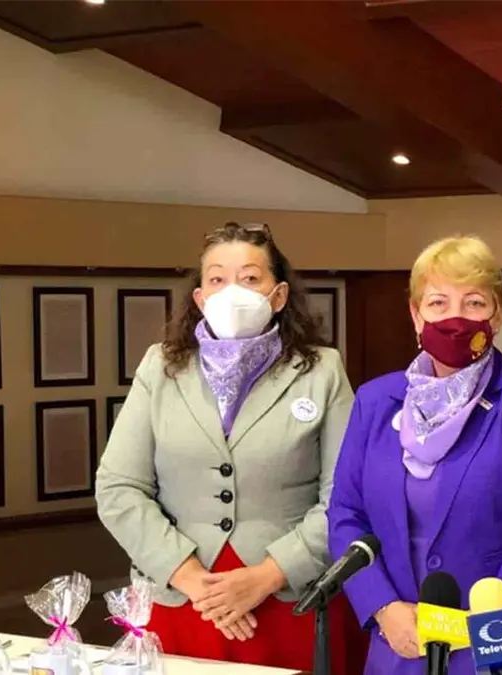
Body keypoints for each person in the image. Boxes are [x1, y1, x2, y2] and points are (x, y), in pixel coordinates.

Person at [96, 222, 365, 673]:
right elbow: (118, 487)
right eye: (217, 279)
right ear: (200, 298)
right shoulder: (159, 367)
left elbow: (346, 496)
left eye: (250, 278)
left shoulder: (322, 371)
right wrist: (191, 578)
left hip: (290, 598)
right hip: (182, 598)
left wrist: (268, 575)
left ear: (278, 296)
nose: (232, 291)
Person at [327, 235, 502, 675]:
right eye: (438, 303)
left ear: (498, 315)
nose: (455, 318)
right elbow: (345, 514)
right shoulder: (375, 401)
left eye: (474, 303)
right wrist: (382, 606)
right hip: (400, 643)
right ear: (416, 316)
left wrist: (493, 605)